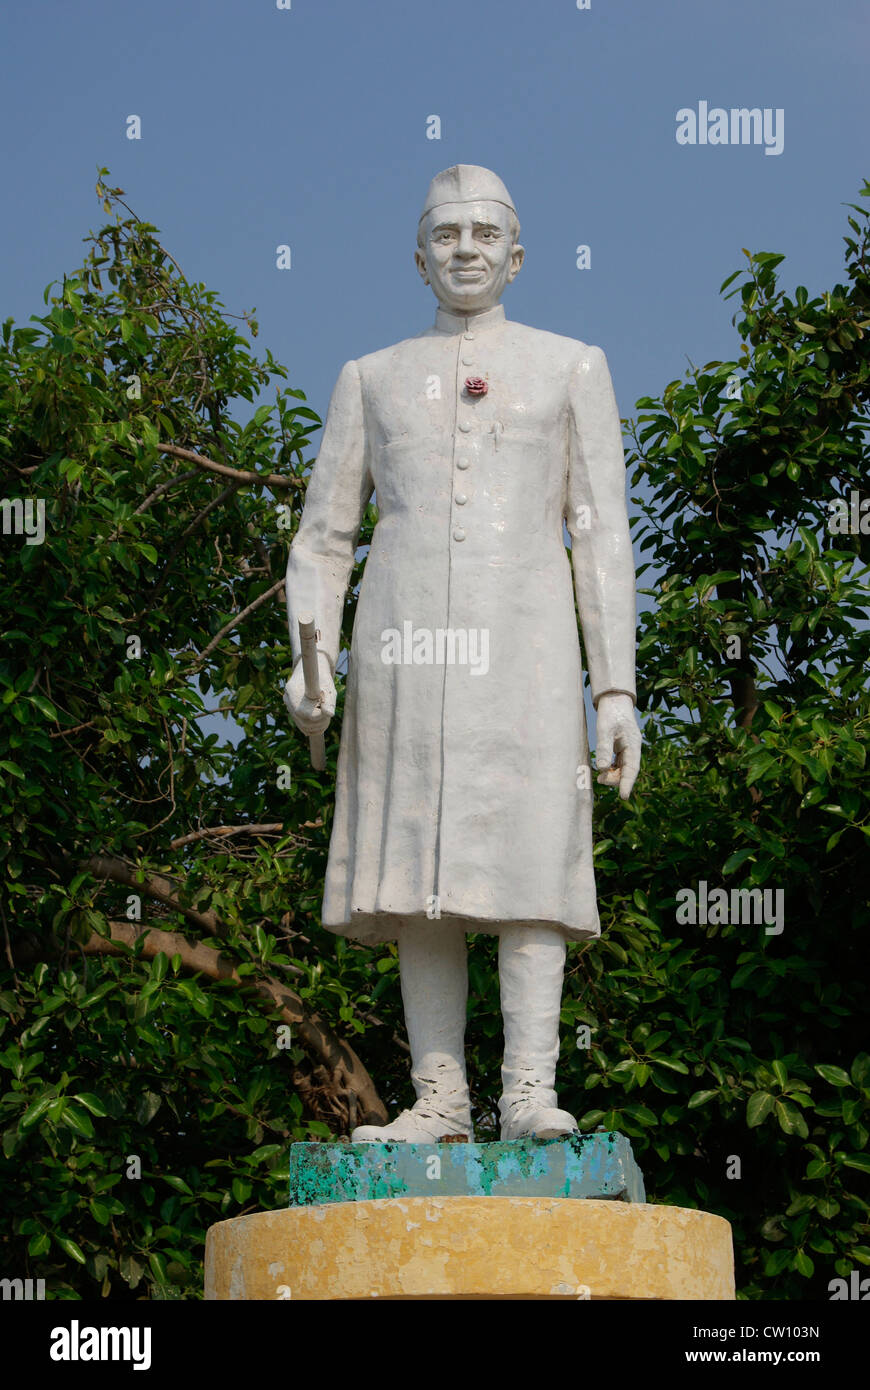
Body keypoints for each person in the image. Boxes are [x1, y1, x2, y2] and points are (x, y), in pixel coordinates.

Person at [284, 165, 641, 1142]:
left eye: (486, 232)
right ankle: (439, 1098)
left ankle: (529, 1089)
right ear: (420, 255)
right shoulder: (372, 376)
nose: (467, 248)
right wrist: (309, 656)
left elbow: (599, 530)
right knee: (420, 871)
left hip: (525, 650)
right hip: (402, 651)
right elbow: (322, 537)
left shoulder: (571, 366)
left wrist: (615, 686)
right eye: (447, 234)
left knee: (532, 862)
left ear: (517, 254)